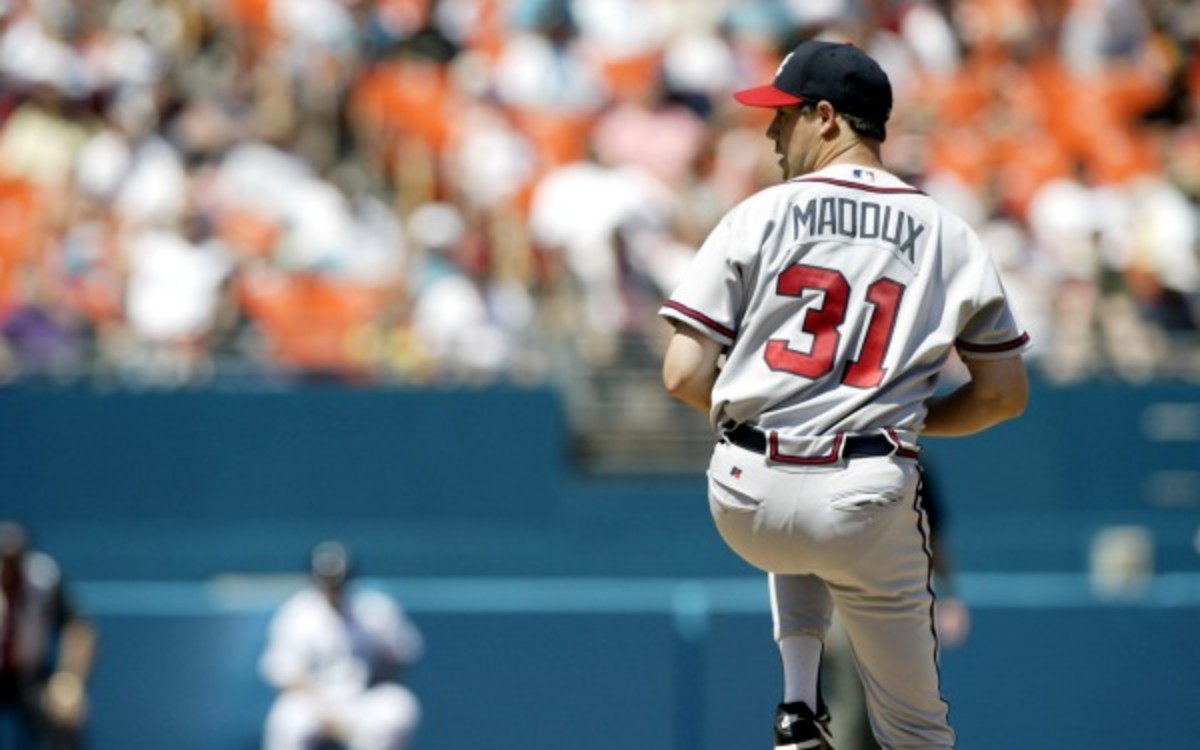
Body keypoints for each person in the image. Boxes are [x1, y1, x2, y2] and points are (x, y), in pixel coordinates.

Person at [659, 40, 1029, 749]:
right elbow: (1004, 395)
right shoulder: (949, 234)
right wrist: (903, 421)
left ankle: (799, 698)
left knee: (791, 502)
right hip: (863, 492)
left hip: (744, 493)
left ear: (826, 117)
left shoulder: (756, 215)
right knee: (917, 731)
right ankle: (819, 707)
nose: (771, 132)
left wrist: (762, 416)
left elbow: (680, 372)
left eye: (785, 116)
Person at [259, 541, 423, 750]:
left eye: (338, 581)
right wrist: (326, 711)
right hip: (313, 701)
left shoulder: (374, 610)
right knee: (289, 719)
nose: (333, 587)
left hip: (361, 699)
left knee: (399, 707)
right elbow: (285, 675)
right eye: (327, 581)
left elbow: (404, 656)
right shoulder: (297, 613)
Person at [0, 521, 98, 750]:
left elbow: (79, 629)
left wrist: (69, 680)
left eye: (14, 562)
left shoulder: (44, 579)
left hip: (29, 677)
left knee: (65, 713)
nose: (8, 570)